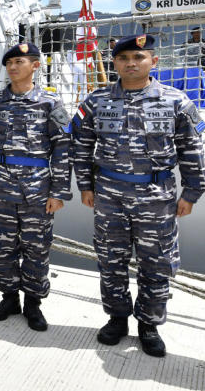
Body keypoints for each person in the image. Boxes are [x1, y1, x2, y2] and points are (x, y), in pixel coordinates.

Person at [71, 34, 205, 357]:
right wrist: (86, 186)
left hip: (157, 197)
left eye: (139, 57)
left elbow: (192, 149)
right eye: (124, 58)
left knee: (156, 262)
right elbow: (81, 145)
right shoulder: (95, 101)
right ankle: (117, 318)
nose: (131, 63)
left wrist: (191, 191)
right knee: (110, 259)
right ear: (114, 63)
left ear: (153, 61)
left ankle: (149, 324)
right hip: (109, 196)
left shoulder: (176, 101)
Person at [0, 43, 71, 331]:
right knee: (2, 246)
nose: (13, 67)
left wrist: (59, 191)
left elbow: (62, 148)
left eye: (19, 61)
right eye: (10, 63)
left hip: (37, 190)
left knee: (36, 248)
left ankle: (33, 303)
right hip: (0, 187)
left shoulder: (50, 103)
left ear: (36, 66)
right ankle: (8, 298)